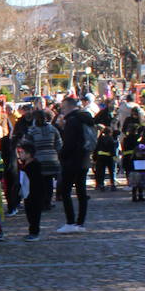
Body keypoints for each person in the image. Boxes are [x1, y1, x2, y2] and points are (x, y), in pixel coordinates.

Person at [54, 95, 94, 234]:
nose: (62, 110)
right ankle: (80, 222)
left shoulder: (72, 121)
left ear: (70, 107)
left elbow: (69, 143)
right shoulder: (85, 118)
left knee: (65, 191)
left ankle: (70, 222)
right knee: (81, 191)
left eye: (63, 107)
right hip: (84, 159)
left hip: (72, 161)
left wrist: (61, 155)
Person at [22, 108, 61, 210]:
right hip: (52, 159)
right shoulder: (53, 129)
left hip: (38, 160)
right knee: (49, 182)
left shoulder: (32, 131)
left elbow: (27, 146)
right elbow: (59, 144)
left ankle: (41, 202)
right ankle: (48, 202)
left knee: (39, 183)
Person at [16, 142, 45, 240]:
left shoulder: (35, 165)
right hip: (27, 193)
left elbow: (37, 182)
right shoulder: (25, 164)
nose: (20, 154)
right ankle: (31, 231)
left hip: (35, 194)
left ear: (29, 154)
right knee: (29, 213)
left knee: (34, 214)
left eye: (22, 152)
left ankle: (34, 232)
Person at [92, 125, 117, 190]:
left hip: (101, 157)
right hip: (109, 157)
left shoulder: (100, 139)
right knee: (111, 171)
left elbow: (96, 148)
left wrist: (94, 157)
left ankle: (101, 184)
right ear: (110, 132)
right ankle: (112, 184)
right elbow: (112, 149)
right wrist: (114, 157)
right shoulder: (111, 139)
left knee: (101, 171)